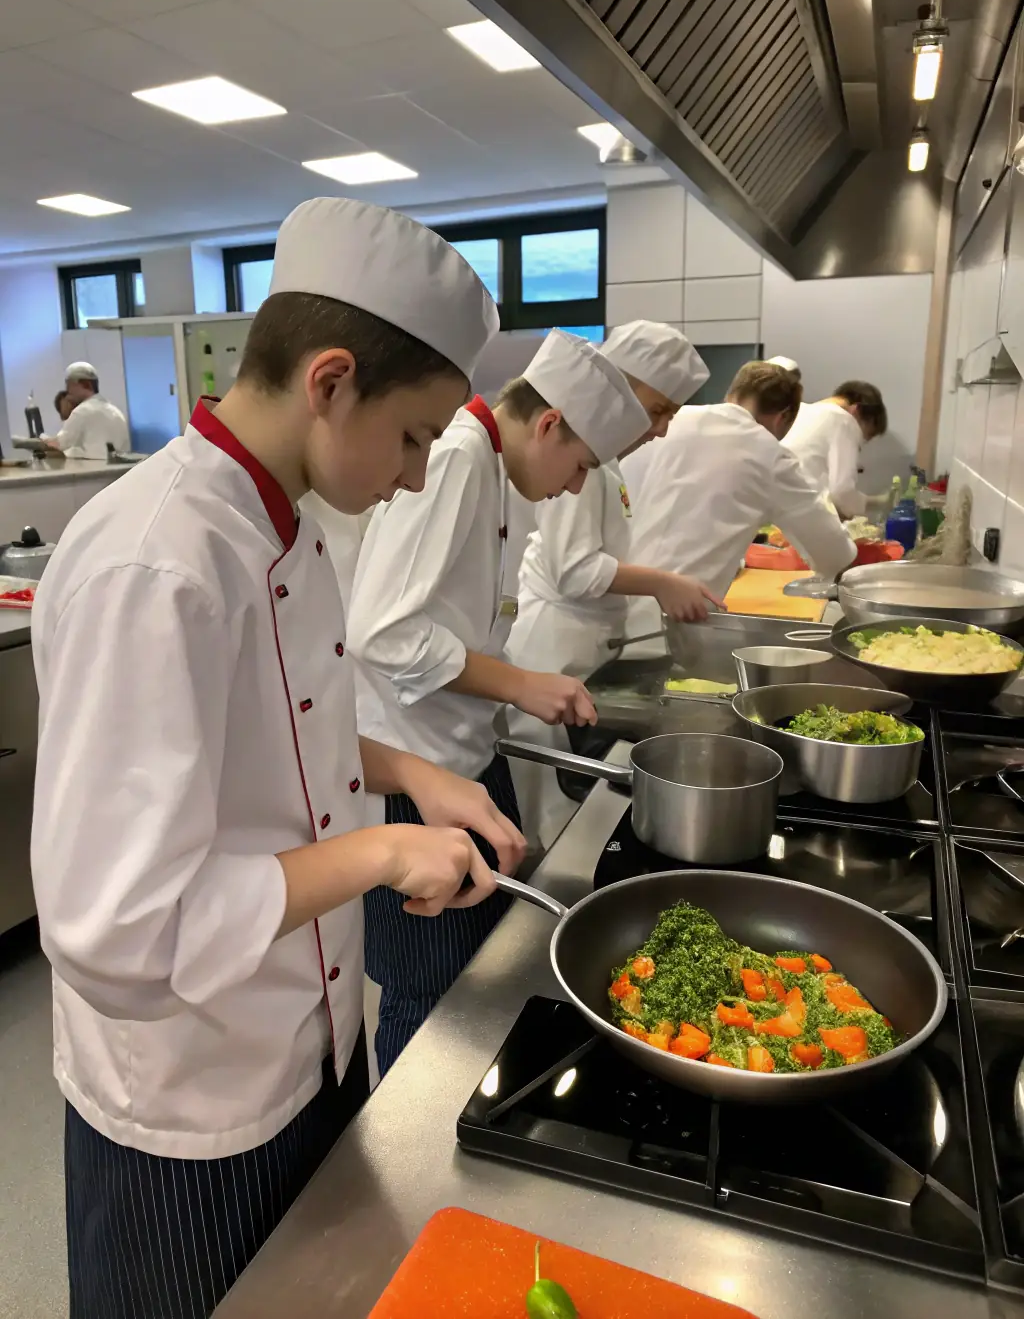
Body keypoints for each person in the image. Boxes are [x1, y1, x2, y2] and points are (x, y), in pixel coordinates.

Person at [31, 195, 527, 1319]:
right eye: (410, 437)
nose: (412, 476)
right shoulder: (156, 568)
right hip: (193, 1103)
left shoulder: (282, 522)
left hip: (311, 1034)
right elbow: (120, 931)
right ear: (330, 379)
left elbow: (263, 735)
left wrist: (407, 773)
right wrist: (383, 854)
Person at [347, 329, 650, 1075]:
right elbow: (382, 634)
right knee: (427, 991)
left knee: (470, 977)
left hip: (463, 758)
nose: (579, 487)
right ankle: (405, 1158)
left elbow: (461, 623)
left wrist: (522, 686)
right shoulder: (455, 460)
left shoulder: (489, 467)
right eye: (580, 466)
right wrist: (518, 684)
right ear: (548, 424)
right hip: (413, 779)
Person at [503, 321, 716, 847]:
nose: (663, 428)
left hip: (577, 652)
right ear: (618, 384)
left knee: (561, 813)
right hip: (551, 652)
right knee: (544, 822)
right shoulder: (582, 457)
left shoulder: (604, 461)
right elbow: (574, 570)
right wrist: (662, 583)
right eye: (661, 409)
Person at [627, 360, 857, 635]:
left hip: (611, 606)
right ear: (782, 417)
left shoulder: (670, 421)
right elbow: (835, 554)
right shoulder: (767, 451)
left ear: (731, 394)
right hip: (672, 627)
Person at [783, 379, 888, 518]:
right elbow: (841, 492)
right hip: (800, 516)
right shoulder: (843, 420)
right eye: (863, 436)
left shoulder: (800, 411)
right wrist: (878, 502)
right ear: (855, 410)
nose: (860, 445)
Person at [41, 360, 131, 459]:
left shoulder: (82, 411)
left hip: (95, 471)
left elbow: (58, 444)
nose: (68, 390)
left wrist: (41, 439)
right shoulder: (116, 412)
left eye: (69, 384)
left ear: (86, 384)